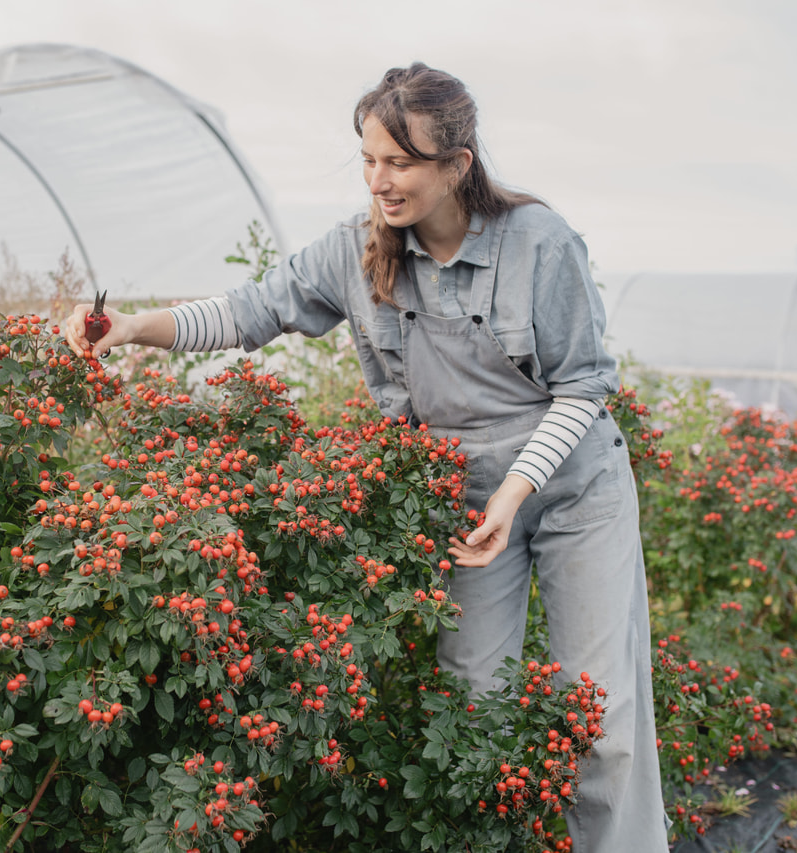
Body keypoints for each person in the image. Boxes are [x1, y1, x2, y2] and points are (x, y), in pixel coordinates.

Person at [64, 62, 667, 851]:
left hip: (571, 484)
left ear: (457, 165)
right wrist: (132, 329)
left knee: (599, 714)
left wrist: (515, 493)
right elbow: (251, 309)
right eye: (370, 159)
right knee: (472, 708)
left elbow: (584, 388)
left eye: (401, 162)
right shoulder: (357, 252)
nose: (380, 181)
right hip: (463, 493)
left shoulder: (539, 244)